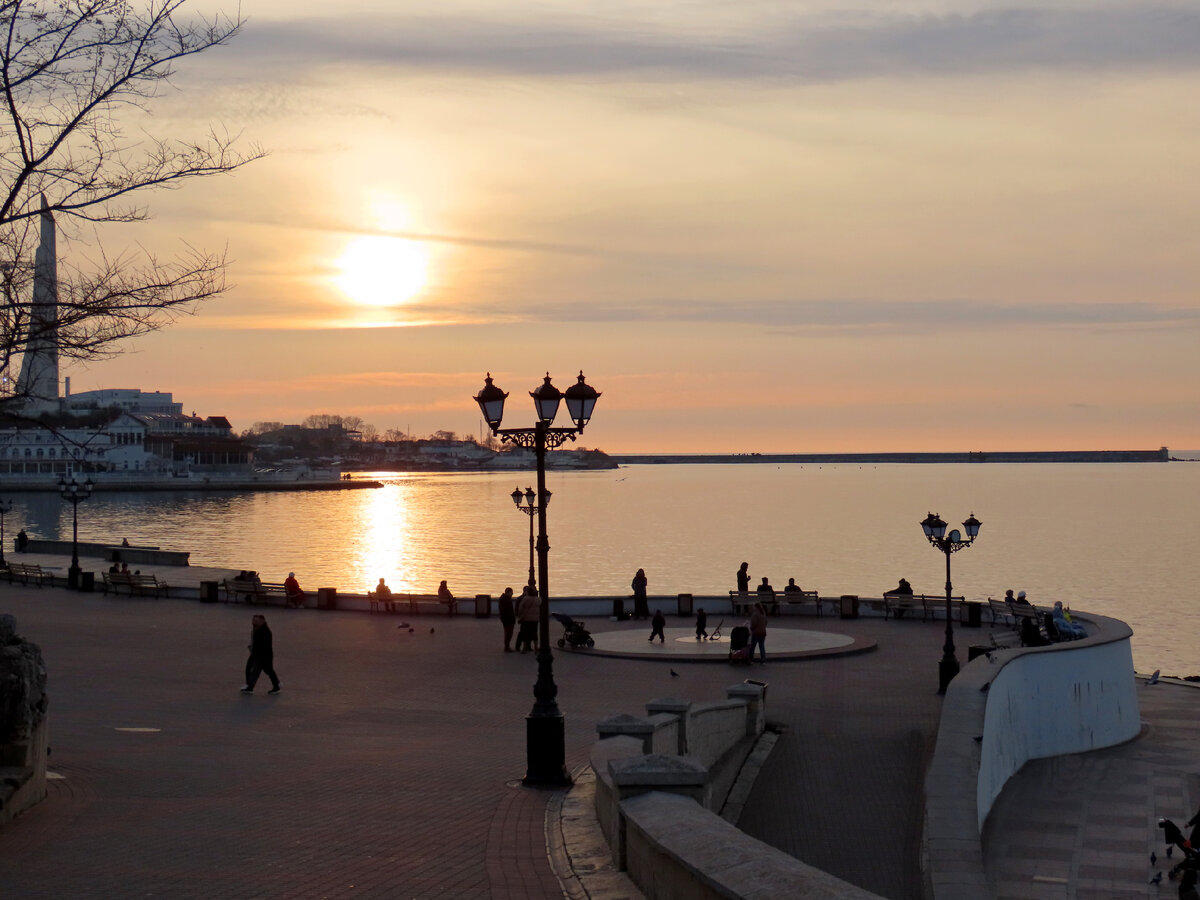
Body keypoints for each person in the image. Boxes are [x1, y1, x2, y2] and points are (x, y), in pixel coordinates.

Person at [240, 614, 281, 695]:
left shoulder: (265, 631)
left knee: (267, 670)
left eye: (256, 620)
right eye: (254, 620)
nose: (254, 622)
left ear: (262, 621)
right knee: (256, 670)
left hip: (263, 655)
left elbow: (264, 645)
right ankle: (250, 687)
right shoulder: (257, 628)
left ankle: (276, 686)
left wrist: (254, 651)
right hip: (258, 655)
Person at [515, 585, 539, 653]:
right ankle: (536, 648)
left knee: (525, 633)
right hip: (535, 619)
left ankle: (524, 648)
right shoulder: (538, 599)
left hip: (527, 619)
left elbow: (520, 608)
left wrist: (520, 616)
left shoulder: (525, 599)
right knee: (534, 633)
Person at [498, 587, 516, 652]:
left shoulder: (504, 598)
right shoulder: (506, 599)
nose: (512, 594)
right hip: (508, 619)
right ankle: (507, 647)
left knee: (508, 633)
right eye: (511, 592)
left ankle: (507, 646)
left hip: (507, 619)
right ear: (508, 592)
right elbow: (506, 610)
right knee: (508, 633)